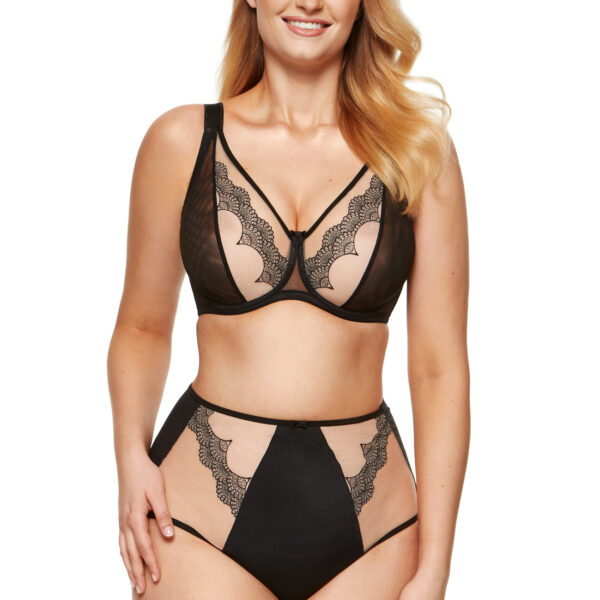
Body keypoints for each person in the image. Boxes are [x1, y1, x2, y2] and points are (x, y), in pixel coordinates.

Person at [107, 1, 470, 598]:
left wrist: (436, 566)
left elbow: (439, 368)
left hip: (373, 530)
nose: (309, 2)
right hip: (197, 518)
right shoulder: (181, 141)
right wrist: (130, 459)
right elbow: (142, 327)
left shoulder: (417, 155)